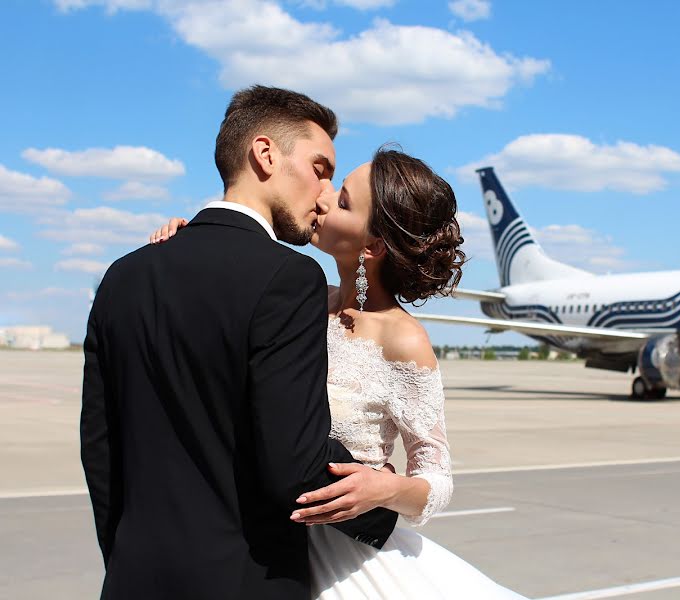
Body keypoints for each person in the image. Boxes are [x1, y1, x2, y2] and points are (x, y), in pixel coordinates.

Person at [149, 147, 527, 598]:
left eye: (343, 200)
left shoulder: (403, 339)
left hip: (346, 561)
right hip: (255, 544)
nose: (323, 196)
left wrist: (384, 489)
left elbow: (437, 474)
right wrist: (193, 245)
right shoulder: (296, 299)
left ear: (371, 247)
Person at [81, 85, 398, 600]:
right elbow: (292, 468)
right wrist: (387, 502)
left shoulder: (123, 275)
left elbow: (100, 447)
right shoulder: (288, 278)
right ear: (266, 154)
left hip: (131, 578)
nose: (324, 192)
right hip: (244, 581)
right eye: (320, 168)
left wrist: (123, 556)